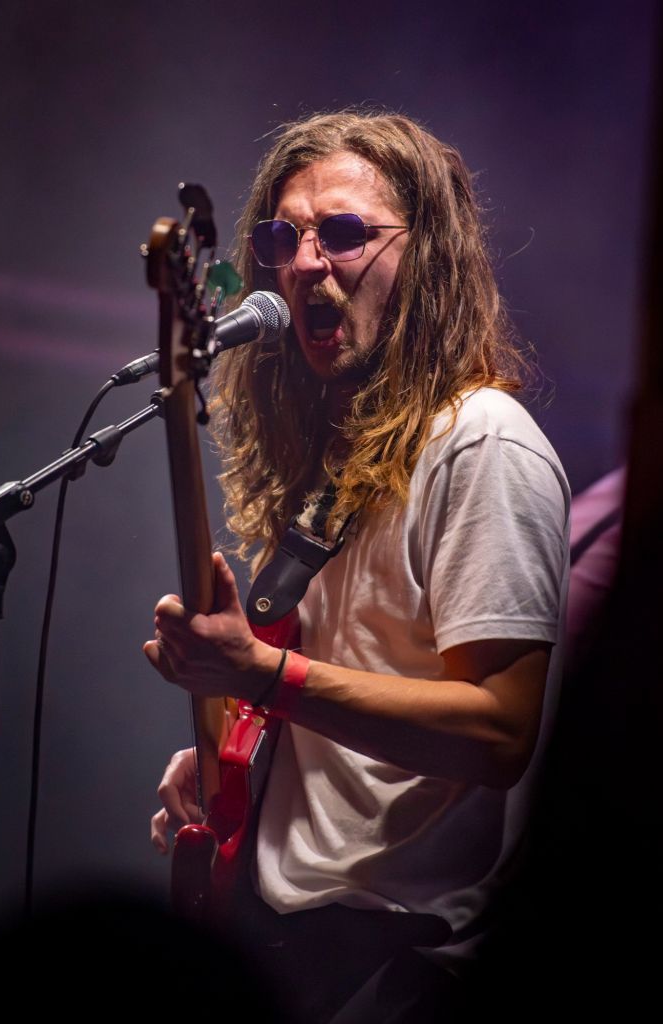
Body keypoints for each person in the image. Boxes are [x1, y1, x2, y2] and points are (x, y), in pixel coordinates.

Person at [144, 111, 570, 1022]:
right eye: (282, 238)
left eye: (342, 233)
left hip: (396, 952)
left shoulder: (481, 444)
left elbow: (500, 733)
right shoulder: (336, 452)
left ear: (430, 259)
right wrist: (235, 765)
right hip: (284, 929)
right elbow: (340, 693)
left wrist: (264, 673)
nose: (305, 263)